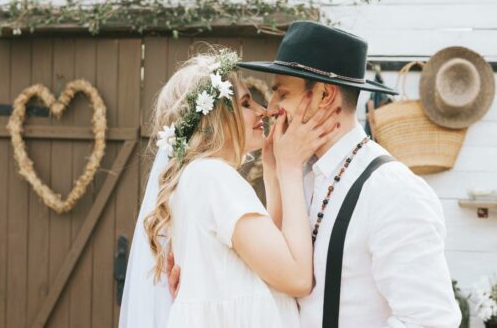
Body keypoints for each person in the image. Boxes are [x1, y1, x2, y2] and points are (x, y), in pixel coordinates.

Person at [168, 21, 463, 328]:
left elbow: (431, 320)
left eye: (281, 93)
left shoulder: (391, 190)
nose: (270, 108)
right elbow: (274, 279)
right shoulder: (298, 178)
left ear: (324, 95)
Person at [119, 48, 341, 328]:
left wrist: (272, 173)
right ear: (213, 119)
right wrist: (290, 168)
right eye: (247, 103)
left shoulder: (195, 178)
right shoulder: (213, 177)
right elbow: (297, 277)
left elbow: (264, 259)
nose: (263, 111)